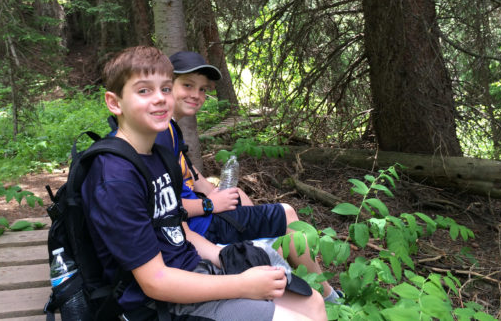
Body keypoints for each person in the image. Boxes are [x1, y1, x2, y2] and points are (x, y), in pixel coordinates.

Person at [81, 45, 327, 321]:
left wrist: (224, 256)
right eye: (143, 91)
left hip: (192, 268)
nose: (160, 99)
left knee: (312, 303)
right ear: (114, 103)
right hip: (158, 304)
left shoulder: (158, 156)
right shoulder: (115, 178)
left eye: (164, 89)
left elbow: (179, 229)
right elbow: (155, 281)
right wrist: (242, 284)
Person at [155, 51, 342, 303]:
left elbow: (191, 173)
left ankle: (265, 254)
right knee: (288, 217)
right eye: (187, 85)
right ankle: (326, 295)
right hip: (201, 227)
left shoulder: (170, 129)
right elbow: (165, 208)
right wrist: (210, 204)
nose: (196, 95)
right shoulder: (158, 137)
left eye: (202, 89)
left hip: (202, 216)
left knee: (242, 197)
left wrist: (214, 192)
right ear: (166, 86)